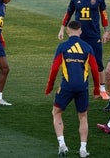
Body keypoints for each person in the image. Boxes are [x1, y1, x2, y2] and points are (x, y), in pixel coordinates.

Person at [45, 21, 100, 157]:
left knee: (56, 112)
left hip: (67, 86)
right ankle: (83, 149)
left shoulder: (63, 47)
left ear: (68, 31)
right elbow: (94, 69)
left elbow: (54, 69)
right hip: (83, 87)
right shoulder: (88, 47)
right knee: (83, 116)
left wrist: (50, 86)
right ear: (80, 31)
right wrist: (97, 88)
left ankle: (62, 145)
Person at [58, 0, 109, 100]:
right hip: (78, 36)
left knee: (98, 63)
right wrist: (62, 29)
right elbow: (68, 13)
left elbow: (104, 15)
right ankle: (79, 86)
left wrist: (106, 31)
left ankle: (102, 89)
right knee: (77, 61)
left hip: (94, 35)